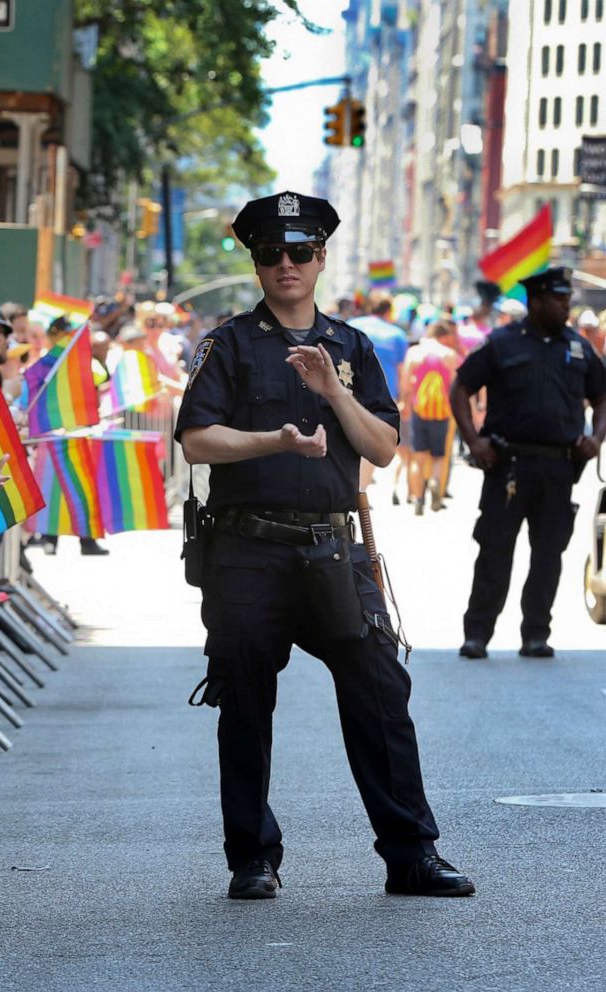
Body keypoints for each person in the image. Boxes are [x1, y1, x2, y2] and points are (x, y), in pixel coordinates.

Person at [175, 190, 473, 901]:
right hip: (248, 549)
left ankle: (411, 854)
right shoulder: (229, 344)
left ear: (321, 259)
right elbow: (196, 438)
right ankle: (252, 857)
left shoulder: (352, 347)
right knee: (245, 702)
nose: (286, 264)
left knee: (380, 691)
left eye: (300, 252)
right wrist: (274, 439)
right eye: (272, 253)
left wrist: (334, 395)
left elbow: (385, 447)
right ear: (256, 263)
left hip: (333, 549)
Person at [451, 267, 606, 659]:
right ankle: (477, 634)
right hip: (508, 466)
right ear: (535, 301)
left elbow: (603, 397)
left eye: (567, 299)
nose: (565, 306)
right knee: (494, 551)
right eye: (558, 299)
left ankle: (536, 633)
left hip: (559, 469)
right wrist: (473, 440)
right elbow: (461, 386)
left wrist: (596, 437)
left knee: (548, 555)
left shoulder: (578, 347)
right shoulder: (502, 343)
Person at [350, 294, 408, 493]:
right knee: (372, 441)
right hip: (385, 395)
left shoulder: (351, 326)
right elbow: (403, 370)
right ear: (388, 310)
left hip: (349, 393)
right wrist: (403, 400)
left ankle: (350, 484)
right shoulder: (397, 334)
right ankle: (361, 489)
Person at [401, 318, 460, 514]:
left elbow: (406, 385)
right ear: (443, 336)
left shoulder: (414, 353)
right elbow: (454, 386)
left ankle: (418, 499)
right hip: (441, 412)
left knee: (419, 457)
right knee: (438, 456)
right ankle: (435, 482)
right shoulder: (449, 355)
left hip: (419, 410)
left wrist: (405, 405)